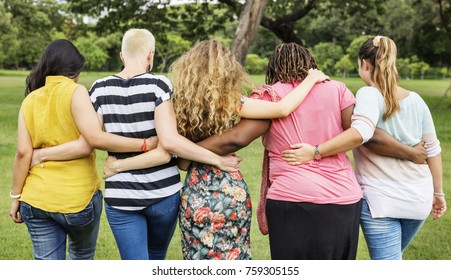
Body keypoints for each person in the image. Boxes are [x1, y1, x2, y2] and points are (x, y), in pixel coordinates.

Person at [103, 39, 330, 260]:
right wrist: (311, 79)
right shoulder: (230, 101)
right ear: (227, 69)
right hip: (230, 189)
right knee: (234, 257)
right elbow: (281, 108)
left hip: (195, 192)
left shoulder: (178, 104)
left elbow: (178, 157)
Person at [26, 30, 242, 260]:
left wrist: (117, 166)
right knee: (156, 256)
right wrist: (217, 159)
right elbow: (169, 142)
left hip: (121, 197)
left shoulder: (99, 89)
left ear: (121, 55)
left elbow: (92, 137)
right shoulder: (159, 85)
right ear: (151, 54)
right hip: (163, 194)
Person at [281, 36, 446, 260]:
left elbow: (362, 133)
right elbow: (433, 151)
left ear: (364, 64)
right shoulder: (417, 100)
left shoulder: (369, 94)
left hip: (381, 202)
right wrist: (438, 193)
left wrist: (315, 151)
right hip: (419, 199)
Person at [9, 39, 103, 260]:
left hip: (35, 199)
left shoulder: (30, 100)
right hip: (77, 199)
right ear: (74, 70)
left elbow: (23, 153)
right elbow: (88, 141)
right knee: (81, 257)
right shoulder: (77, 92)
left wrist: (16, 197)